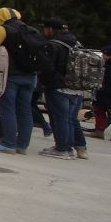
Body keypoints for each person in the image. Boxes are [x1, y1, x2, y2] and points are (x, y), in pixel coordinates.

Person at [0, 7, 42, 155]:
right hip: (30, 76)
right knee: (25, 110)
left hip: (10, 75)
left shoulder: (3, 30)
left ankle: (8, 143)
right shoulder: (32, 30)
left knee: (7, 108)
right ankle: (22, 145)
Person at [37, 18, 84, 158]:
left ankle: (62, 148)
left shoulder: (53, 45)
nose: (44, 31)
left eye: (45, 28)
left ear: (51, 29)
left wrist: (46, 82)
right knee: (70, 119)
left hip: (58, 87)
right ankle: (72, 147)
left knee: (60, 119)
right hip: (76, 87)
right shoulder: (76, 43)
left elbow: (47, 67)